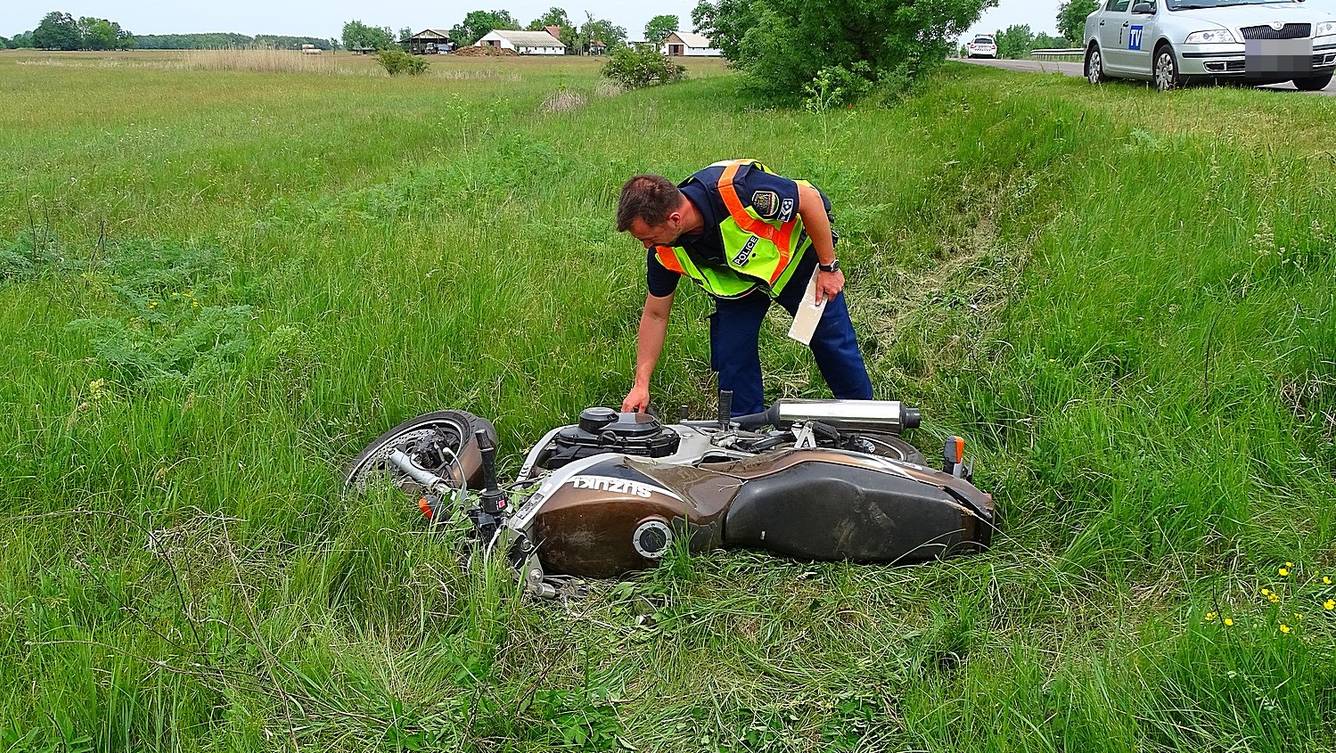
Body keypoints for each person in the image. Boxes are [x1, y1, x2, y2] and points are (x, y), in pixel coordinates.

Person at [615, 159, 873, 417]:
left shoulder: (738, 189)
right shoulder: (663, 251)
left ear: (674, 219)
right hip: (739, 291)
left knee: (832, 343)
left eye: (647, 238)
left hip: (796, 265)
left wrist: (829, 267)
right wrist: (641, 384)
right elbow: (655, 314)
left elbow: (809, 199)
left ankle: (868, 424)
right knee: (732, 356)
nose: (646, 246)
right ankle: (742, 436)